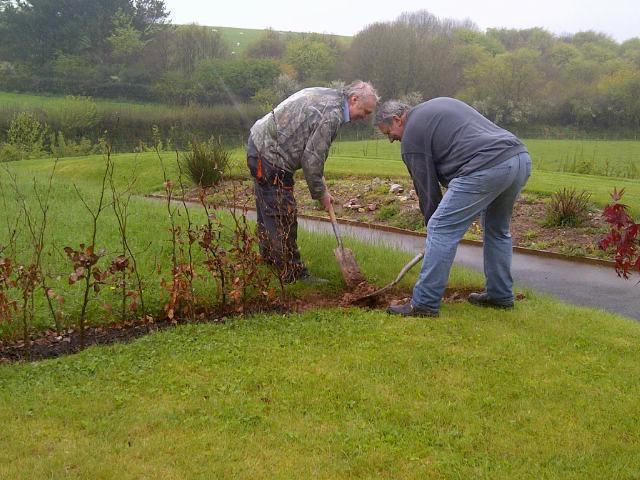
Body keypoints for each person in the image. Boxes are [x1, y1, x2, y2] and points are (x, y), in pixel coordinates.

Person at [375, 97, 532, 316]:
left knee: (440, 228)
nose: (391, 140)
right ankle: (500, 295)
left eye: (388, 133)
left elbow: (427, 191)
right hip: (518, 158)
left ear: (397, 119)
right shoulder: (435, 107)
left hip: (487, 165)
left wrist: (433, 233)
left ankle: (424, 304)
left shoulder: (412, 136)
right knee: (497, 230)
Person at [247, 81, 378, 283]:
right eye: (365, 111)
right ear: (354, 99)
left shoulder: (329, 97)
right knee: (283, 215)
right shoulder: (332, 115)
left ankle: (271, 260)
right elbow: (312, 159)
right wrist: (321, 193)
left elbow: (312, 147)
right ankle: (292, 274)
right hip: (271, 156)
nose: (365, 117)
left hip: (259, 144)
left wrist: (320, 180)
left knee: (268, 211)